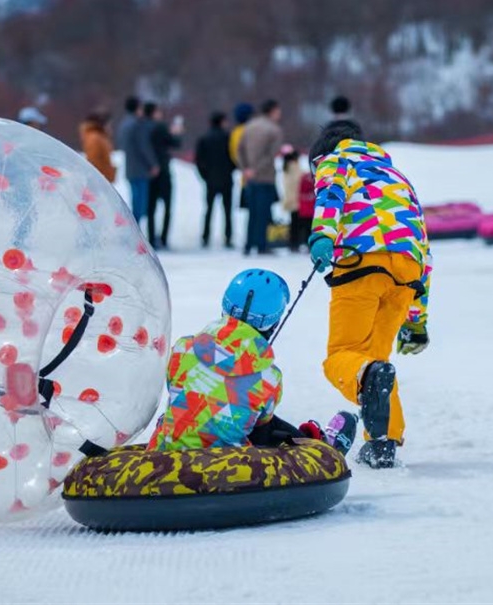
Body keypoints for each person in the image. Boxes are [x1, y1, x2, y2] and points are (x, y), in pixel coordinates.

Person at [307, 120, 432, 469]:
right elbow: (424, 246)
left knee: (343, 356)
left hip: (362, 262)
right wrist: (416, 320)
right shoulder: (398, 178)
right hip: (406, 272)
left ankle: (372, 399)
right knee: (376, 361)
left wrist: (323, 236)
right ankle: (383, 443)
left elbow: (331, 194)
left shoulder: (335, 160)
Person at [148, 268, 358, 453]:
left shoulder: (182, 348)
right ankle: (318, 447)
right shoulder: (269, 377)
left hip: (166, 454)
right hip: (226, 466)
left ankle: (309, 440)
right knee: (259, 425)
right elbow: (261, 426)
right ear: (272, 324)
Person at [238, 99, 284, 256]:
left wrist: (246, 169)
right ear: (272, 111)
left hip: (250, 178)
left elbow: (240, 149)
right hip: (265, 177)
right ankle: (262, 245)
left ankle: (248, 244)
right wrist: (256, 170)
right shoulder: (274, 130)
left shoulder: (249, 126)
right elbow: (270, 155)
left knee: (252, 213)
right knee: (264, 212)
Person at [143, 102, 182, 250]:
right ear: (154, 112)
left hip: (148, 172)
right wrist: (176, 132)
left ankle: (151, 237)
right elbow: (175, 143)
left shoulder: (142, 127)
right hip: (163, 170)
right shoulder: (160, 127)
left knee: (151, 207)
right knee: (167, 206)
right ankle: (164, 238)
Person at [195, 111, 235, 249]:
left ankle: (205, 236)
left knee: (209, 209)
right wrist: (231, 169)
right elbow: (234, 158)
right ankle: (228, 237)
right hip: (226, 179)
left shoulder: (204, 138)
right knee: (227, 210)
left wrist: (205, 176)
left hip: (211, 180)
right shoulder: (228, 138)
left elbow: (199, 160)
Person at [120, 97, 158, 232]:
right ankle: (135, 232)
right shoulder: (137, 125)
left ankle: (133, 231)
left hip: (130, 168)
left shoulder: (124, 123)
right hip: (140, 169)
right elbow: (144, 147)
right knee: (140, 205)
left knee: (134, 200)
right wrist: (153, 164)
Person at [79, 112, 116, 183]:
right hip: (100, 180)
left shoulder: (100, 137)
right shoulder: (95, 138)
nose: (110, 127)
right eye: (109, 124)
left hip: (103, 179)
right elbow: (94, 161)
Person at [280, 145, 304, 252]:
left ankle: (293, 242)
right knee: (297, 222)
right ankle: (296, 242)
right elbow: (298, 181)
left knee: (294, 222)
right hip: (296, 198)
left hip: (290, 198)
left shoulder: (286, 167)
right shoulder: (294, 166)